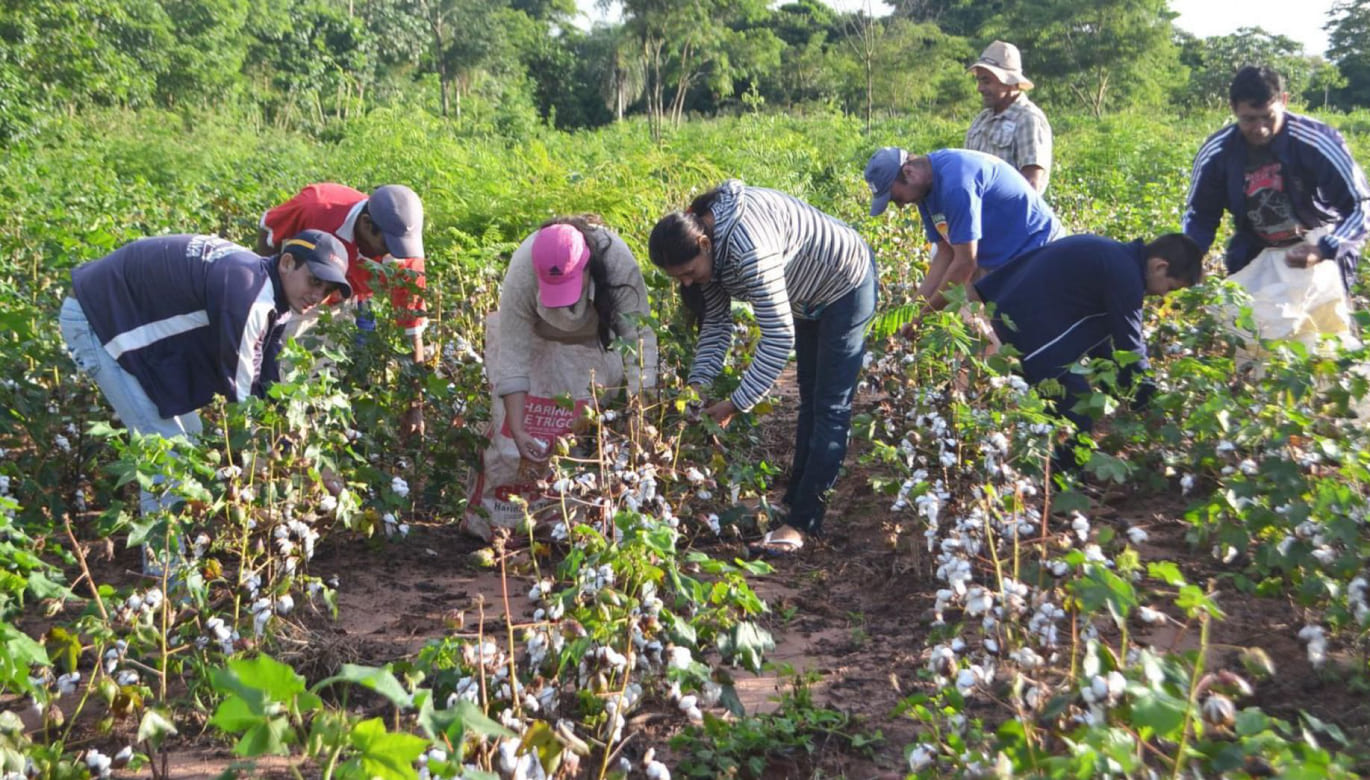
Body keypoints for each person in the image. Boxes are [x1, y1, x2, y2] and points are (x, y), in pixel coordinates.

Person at [59, 230, 351, 572]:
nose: (318, 295)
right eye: (315, 281)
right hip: (96, 318)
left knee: (191, 442)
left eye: (327, 290)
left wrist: (297, 449)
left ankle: (178, 556)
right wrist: (296, 463)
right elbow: (244, 401)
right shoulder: (251, 296)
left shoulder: (270, 289)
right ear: (287, 262)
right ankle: (168, 581)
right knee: (168, 455)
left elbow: (265, 380)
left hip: (123, 313)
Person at [648, 180, 878, 554]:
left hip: (845, 283)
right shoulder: (704, 244)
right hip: (804, 297)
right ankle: (794, 502)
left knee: (830, 407)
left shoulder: (745, 246)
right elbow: (716, 325)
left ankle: (804, 524)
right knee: (810, 399)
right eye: (679, 279)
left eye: (688, 272)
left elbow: (778, 338)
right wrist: (697, 386)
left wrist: (737, 403)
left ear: (704, 245)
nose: (686, 282)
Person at [972, 233, 1203, 442]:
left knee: (1072, 403)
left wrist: (1115, 386)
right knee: (1077, 414)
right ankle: (1058, 480)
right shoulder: (1126, 275)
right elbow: (1130, 348)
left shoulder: (1112, 255)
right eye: (1170, 287)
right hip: (1024, 330)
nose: (1164, 295)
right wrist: (1150, 402)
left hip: (1007, 311)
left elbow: (1099, 339)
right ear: (1160, 266)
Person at [256, 183, 429, 435]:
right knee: (271, 367)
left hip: (341, 300)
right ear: (367, 224)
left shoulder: (406, 257)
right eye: (388, 246)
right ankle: (265, 430)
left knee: (321, 378)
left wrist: (416, 405)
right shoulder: (317, 207)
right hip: (296, 290)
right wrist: (268, 288)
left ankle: (298, 436)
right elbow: (267, 227)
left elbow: (413, 331)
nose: (394, 255)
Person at [1183, 65, 1370, 293]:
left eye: (1268, 117)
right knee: (1252, 324)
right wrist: (1190, 258)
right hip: (1257, 249)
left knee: (1322, 326)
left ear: (1284, 100)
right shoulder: (1218, 152)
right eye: (1249, 119)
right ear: (1233, 108)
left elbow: (1361, 205)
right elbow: (1200, 214)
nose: (1260, 129)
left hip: (1319, 242)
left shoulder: (1315, 142)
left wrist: (1323, 249)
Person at [491, 216, 659, 462]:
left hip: (597, 345)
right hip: (541, 346)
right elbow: (512, 353)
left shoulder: (616, 262)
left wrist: (639, 415)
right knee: (521, 450)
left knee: (593, 438)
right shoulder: (522, 270)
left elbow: (639, 340)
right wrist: (517, 429)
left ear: (587, 266)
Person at [865, 146, 1060, 314]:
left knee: (1025, 334)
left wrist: (924, 316)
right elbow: (945, 254)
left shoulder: (956, 185)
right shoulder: (924, 192)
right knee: (982, 329)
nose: (899, 206)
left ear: (909, 172)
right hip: (1000, 260)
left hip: (1037, 250)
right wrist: (912, 312)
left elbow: (965, 264)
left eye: (895, 198)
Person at [964, 40, 1053, 194]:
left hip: (1009, 216)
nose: (980, 88)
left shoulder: (1028, 119)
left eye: (987, 81)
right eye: (979, 81)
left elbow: (1032, 185)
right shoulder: (981, 120)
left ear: (1010, 82)